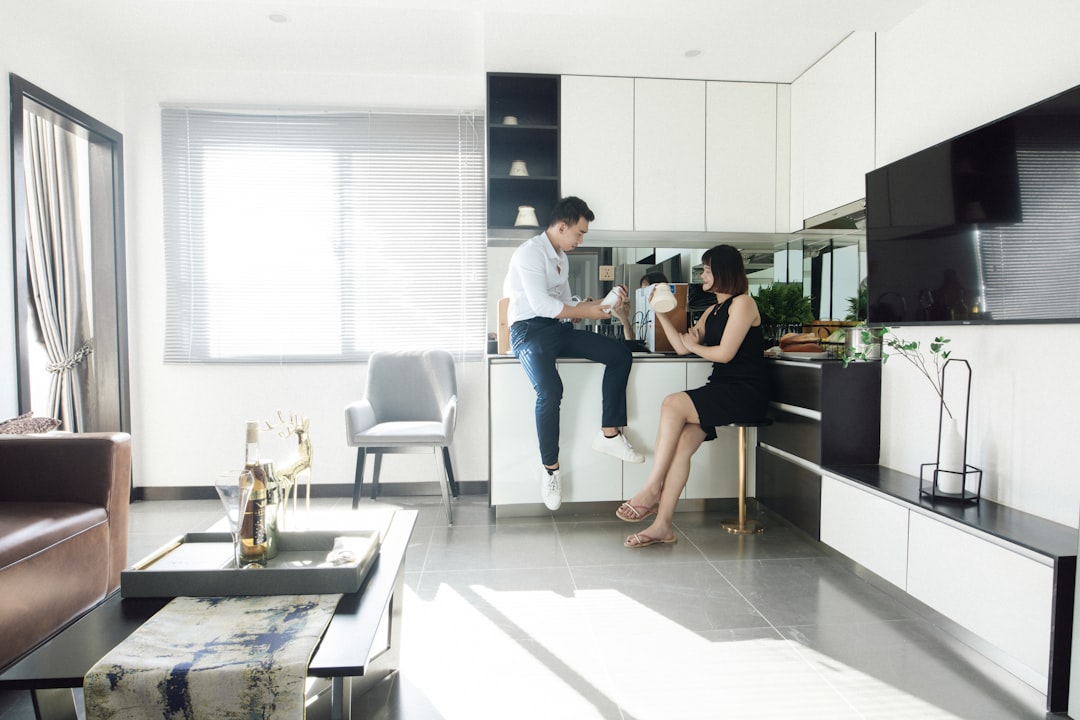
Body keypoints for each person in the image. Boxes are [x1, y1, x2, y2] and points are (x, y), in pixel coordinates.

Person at [615, 244, 769, 547]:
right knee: (683, 445)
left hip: (745, 391)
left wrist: (696, 346)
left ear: (725, 271)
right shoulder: (712, 311)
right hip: (721, 388)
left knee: (672, 403)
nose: (703, 274)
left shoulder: (744, 304)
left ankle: (651, 487)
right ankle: (662, 526)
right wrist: (660, 313)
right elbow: (683, 346)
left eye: (708, 269)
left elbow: (724, 354)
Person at [503, 196, 645, 511]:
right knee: (551, 390)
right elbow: (541, 306)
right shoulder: (529, 253)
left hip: (555, 330)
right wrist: (583, 310)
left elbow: (565, 305)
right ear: (562, 226)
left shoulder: (562, 258)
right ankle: (550, 470)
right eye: (579, 233)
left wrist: (589, 308)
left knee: (619, 353)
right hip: (527, 330)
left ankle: (609, 434)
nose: (581, 240)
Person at [611, 272, 669, 341]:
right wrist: (623, 317)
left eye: (646, 290)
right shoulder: (645, 315)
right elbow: (635, 342)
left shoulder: (665, 313)